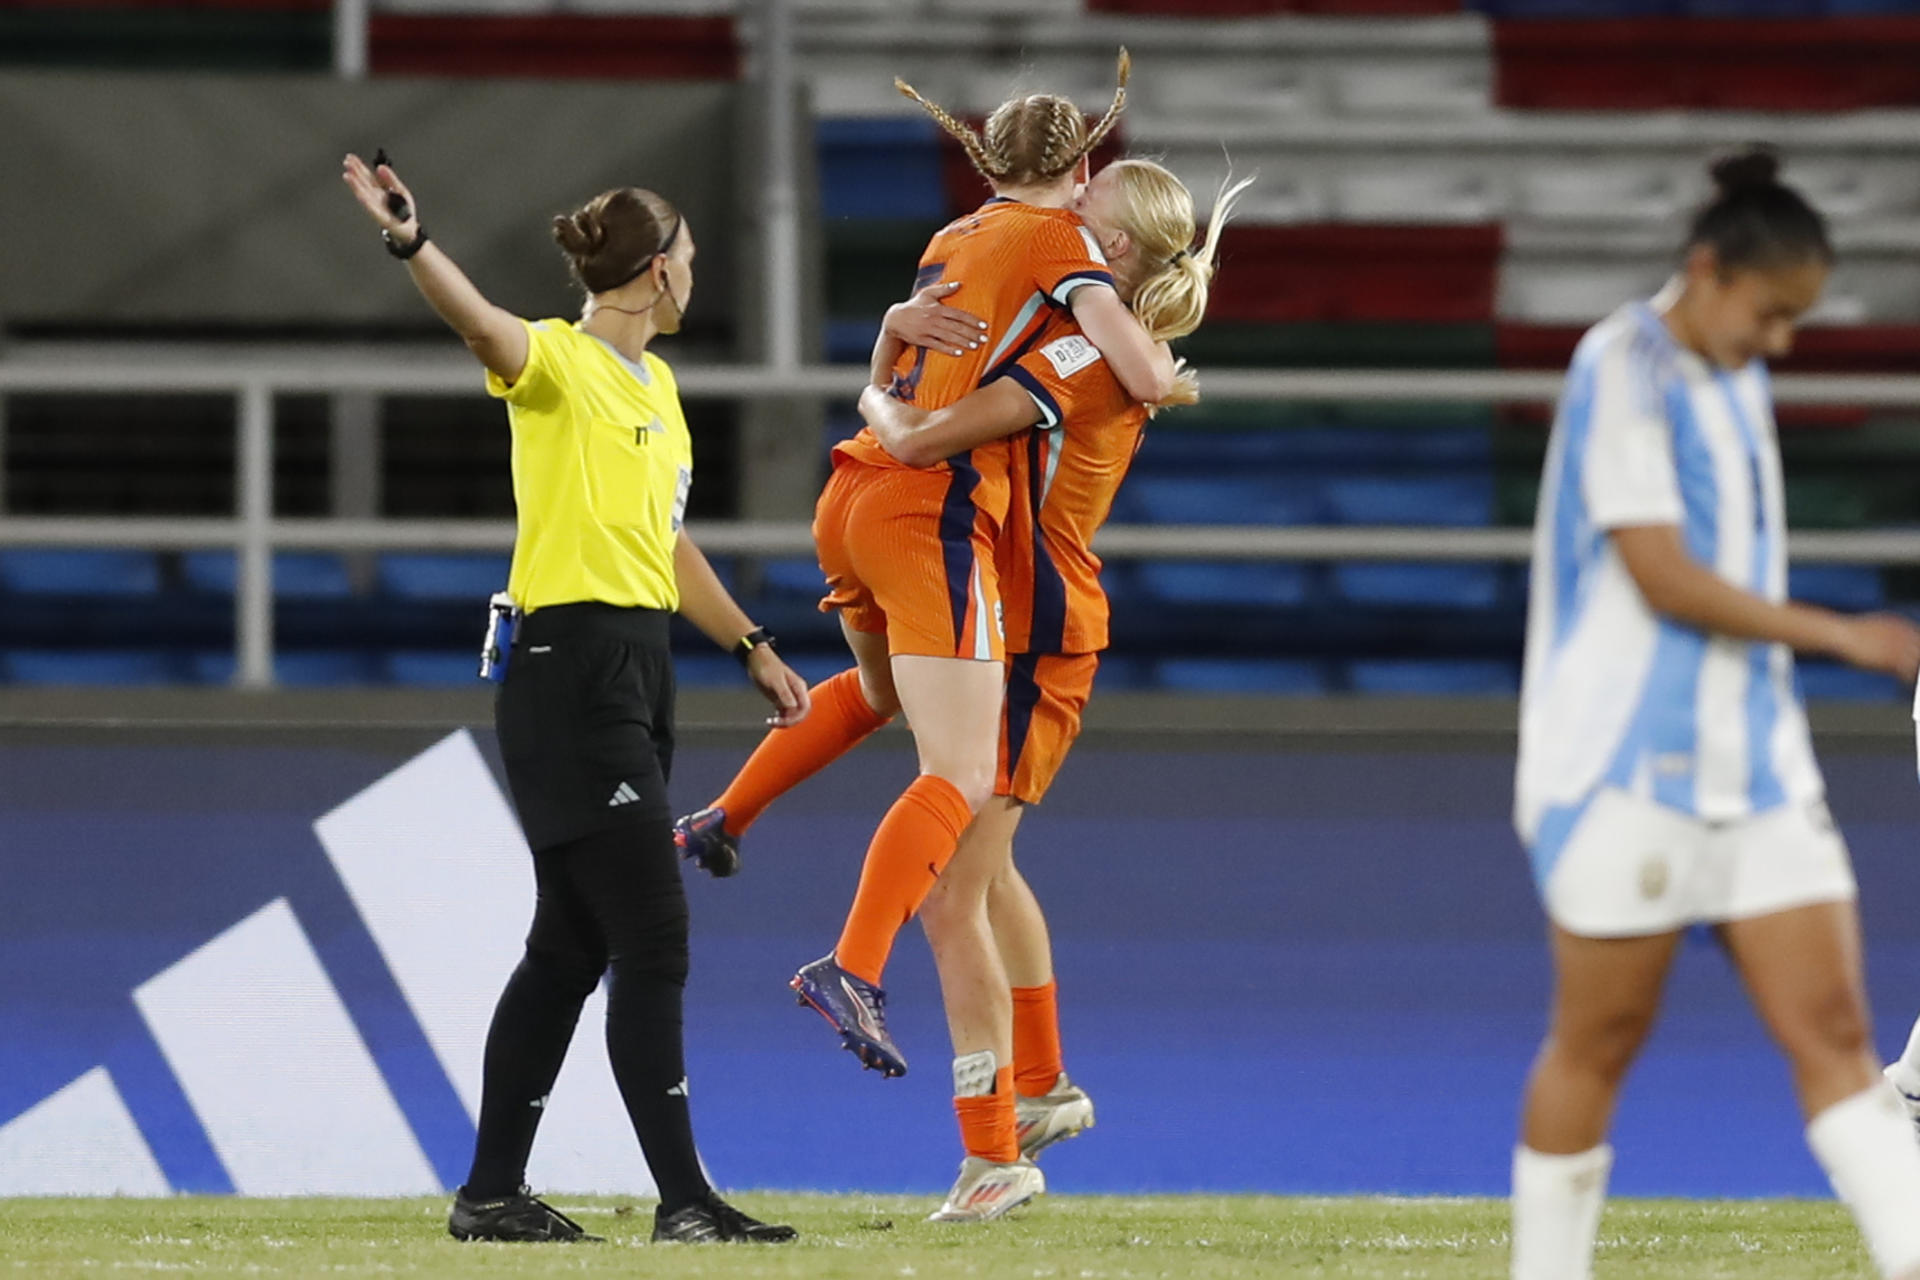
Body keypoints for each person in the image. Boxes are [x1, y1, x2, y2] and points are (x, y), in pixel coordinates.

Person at [341, 153, 808, 1246]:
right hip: (569, 669)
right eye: (688, 258)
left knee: (568, 949)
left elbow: (666, 541)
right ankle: (686, 1199)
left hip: (639, 667)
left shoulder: (660, 390)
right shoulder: (559, 363)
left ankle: (490, 1193)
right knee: (653, 931)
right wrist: (413, 241)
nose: (697, 275)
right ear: (654, 270)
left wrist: (748, 641)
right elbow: (480, 326)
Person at [1510, 145, 1920, 1280]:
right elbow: (1662, 574)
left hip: (1758, 771)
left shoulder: (1732, 371)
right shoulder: (1622, 364)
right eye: (1772, 314)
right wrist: (1850, 636)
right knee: (1597, 1045)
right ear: (1708, 269)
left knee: (1838, 1041)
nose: (1779, 342)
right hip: (1621, 772)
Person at [855, 158, 1249, 1214]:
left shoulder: (1081, 346)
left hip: (1035, 622)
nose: (1061, 220)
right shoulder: (1098, 328)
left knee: (950, 891)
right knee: (988, 869)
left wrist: (875, 400)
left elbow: (931, 432)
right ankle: (1045, 1085)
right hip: (1038, 609)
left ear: (1110, 251)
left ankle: (995, 1153)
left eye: (1082, 215)